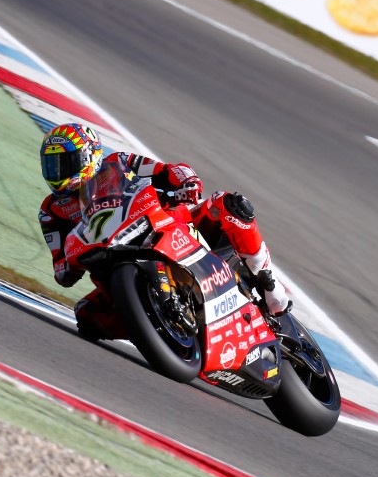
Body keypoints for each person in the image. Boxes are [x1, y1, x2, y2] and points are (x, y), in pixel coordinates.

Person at [38, 122, 291, 340]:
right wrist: (70, 265)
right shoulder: (51, 211)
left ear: (86, 157)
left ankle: (269, 283)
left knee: (228, 205)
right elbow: (61, 270)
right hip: (112, 256)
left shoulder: (119, 162)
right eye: (51, 166)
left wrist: (186, 182)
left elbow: (167, 170)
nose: (56, 173)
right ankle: (160, 329)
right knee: (87, 316)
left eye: (63, 163)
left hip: (164, 224)